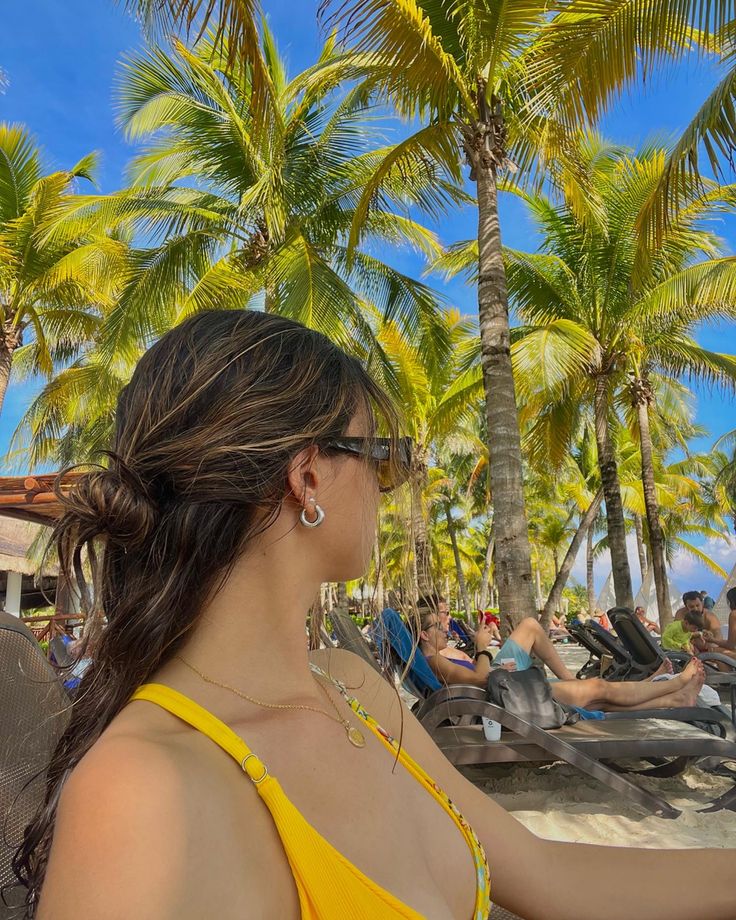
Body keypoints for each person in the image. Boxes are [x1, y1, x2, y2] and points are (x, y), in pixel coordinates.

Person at [17, 311, 736, 920]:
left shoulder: (352, 691)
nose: (390, 490)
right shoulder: (141, 795)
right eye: (383, 461)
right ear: (308, 477)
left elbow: (549, 873)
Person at [419, 610, 705, 714]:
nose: (445, 629)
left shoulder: (437, 658)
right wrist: (482, 649)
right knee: (599, 691)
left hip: (502, 682)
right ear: (423, 634)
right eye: (437, 626)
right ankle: (675, 686)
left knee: (596, 698)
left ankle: (672, 699)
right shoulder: (434, 661)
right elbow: (480, 678)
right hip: (501, 692)